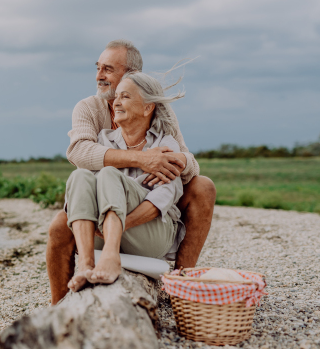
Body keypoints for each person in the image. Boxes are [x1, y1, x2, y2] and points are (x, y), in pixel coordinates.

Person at [46, 40, 216, 305]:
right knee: (60, 222)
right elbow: (78, 153)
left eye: (108, 69)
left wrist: (178, 159)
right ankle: (61, 303)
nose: (99, 76)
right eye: (98, 68)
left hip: (142, 214)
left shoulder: (159, 114)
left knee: (203, 186)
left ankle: (182, 284)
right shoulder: (90, 111)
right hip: (106, 210)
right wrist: (141, 159)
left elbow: (187, 167)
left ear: (131, 76)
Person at [66, 72, 186, 291]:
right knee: (80, 175)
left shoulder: (165, 144)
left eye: (125, 97)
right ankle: (84, 264)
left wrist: (119, 226)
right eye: (117, 97)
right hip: (100, 233)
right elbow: (83, 195)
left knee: (109, 174)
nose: (117, 102)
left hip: (150, 235)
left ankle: (111, 257)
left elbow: (162, 198)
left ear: (147, 107)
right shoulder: (104, 141)